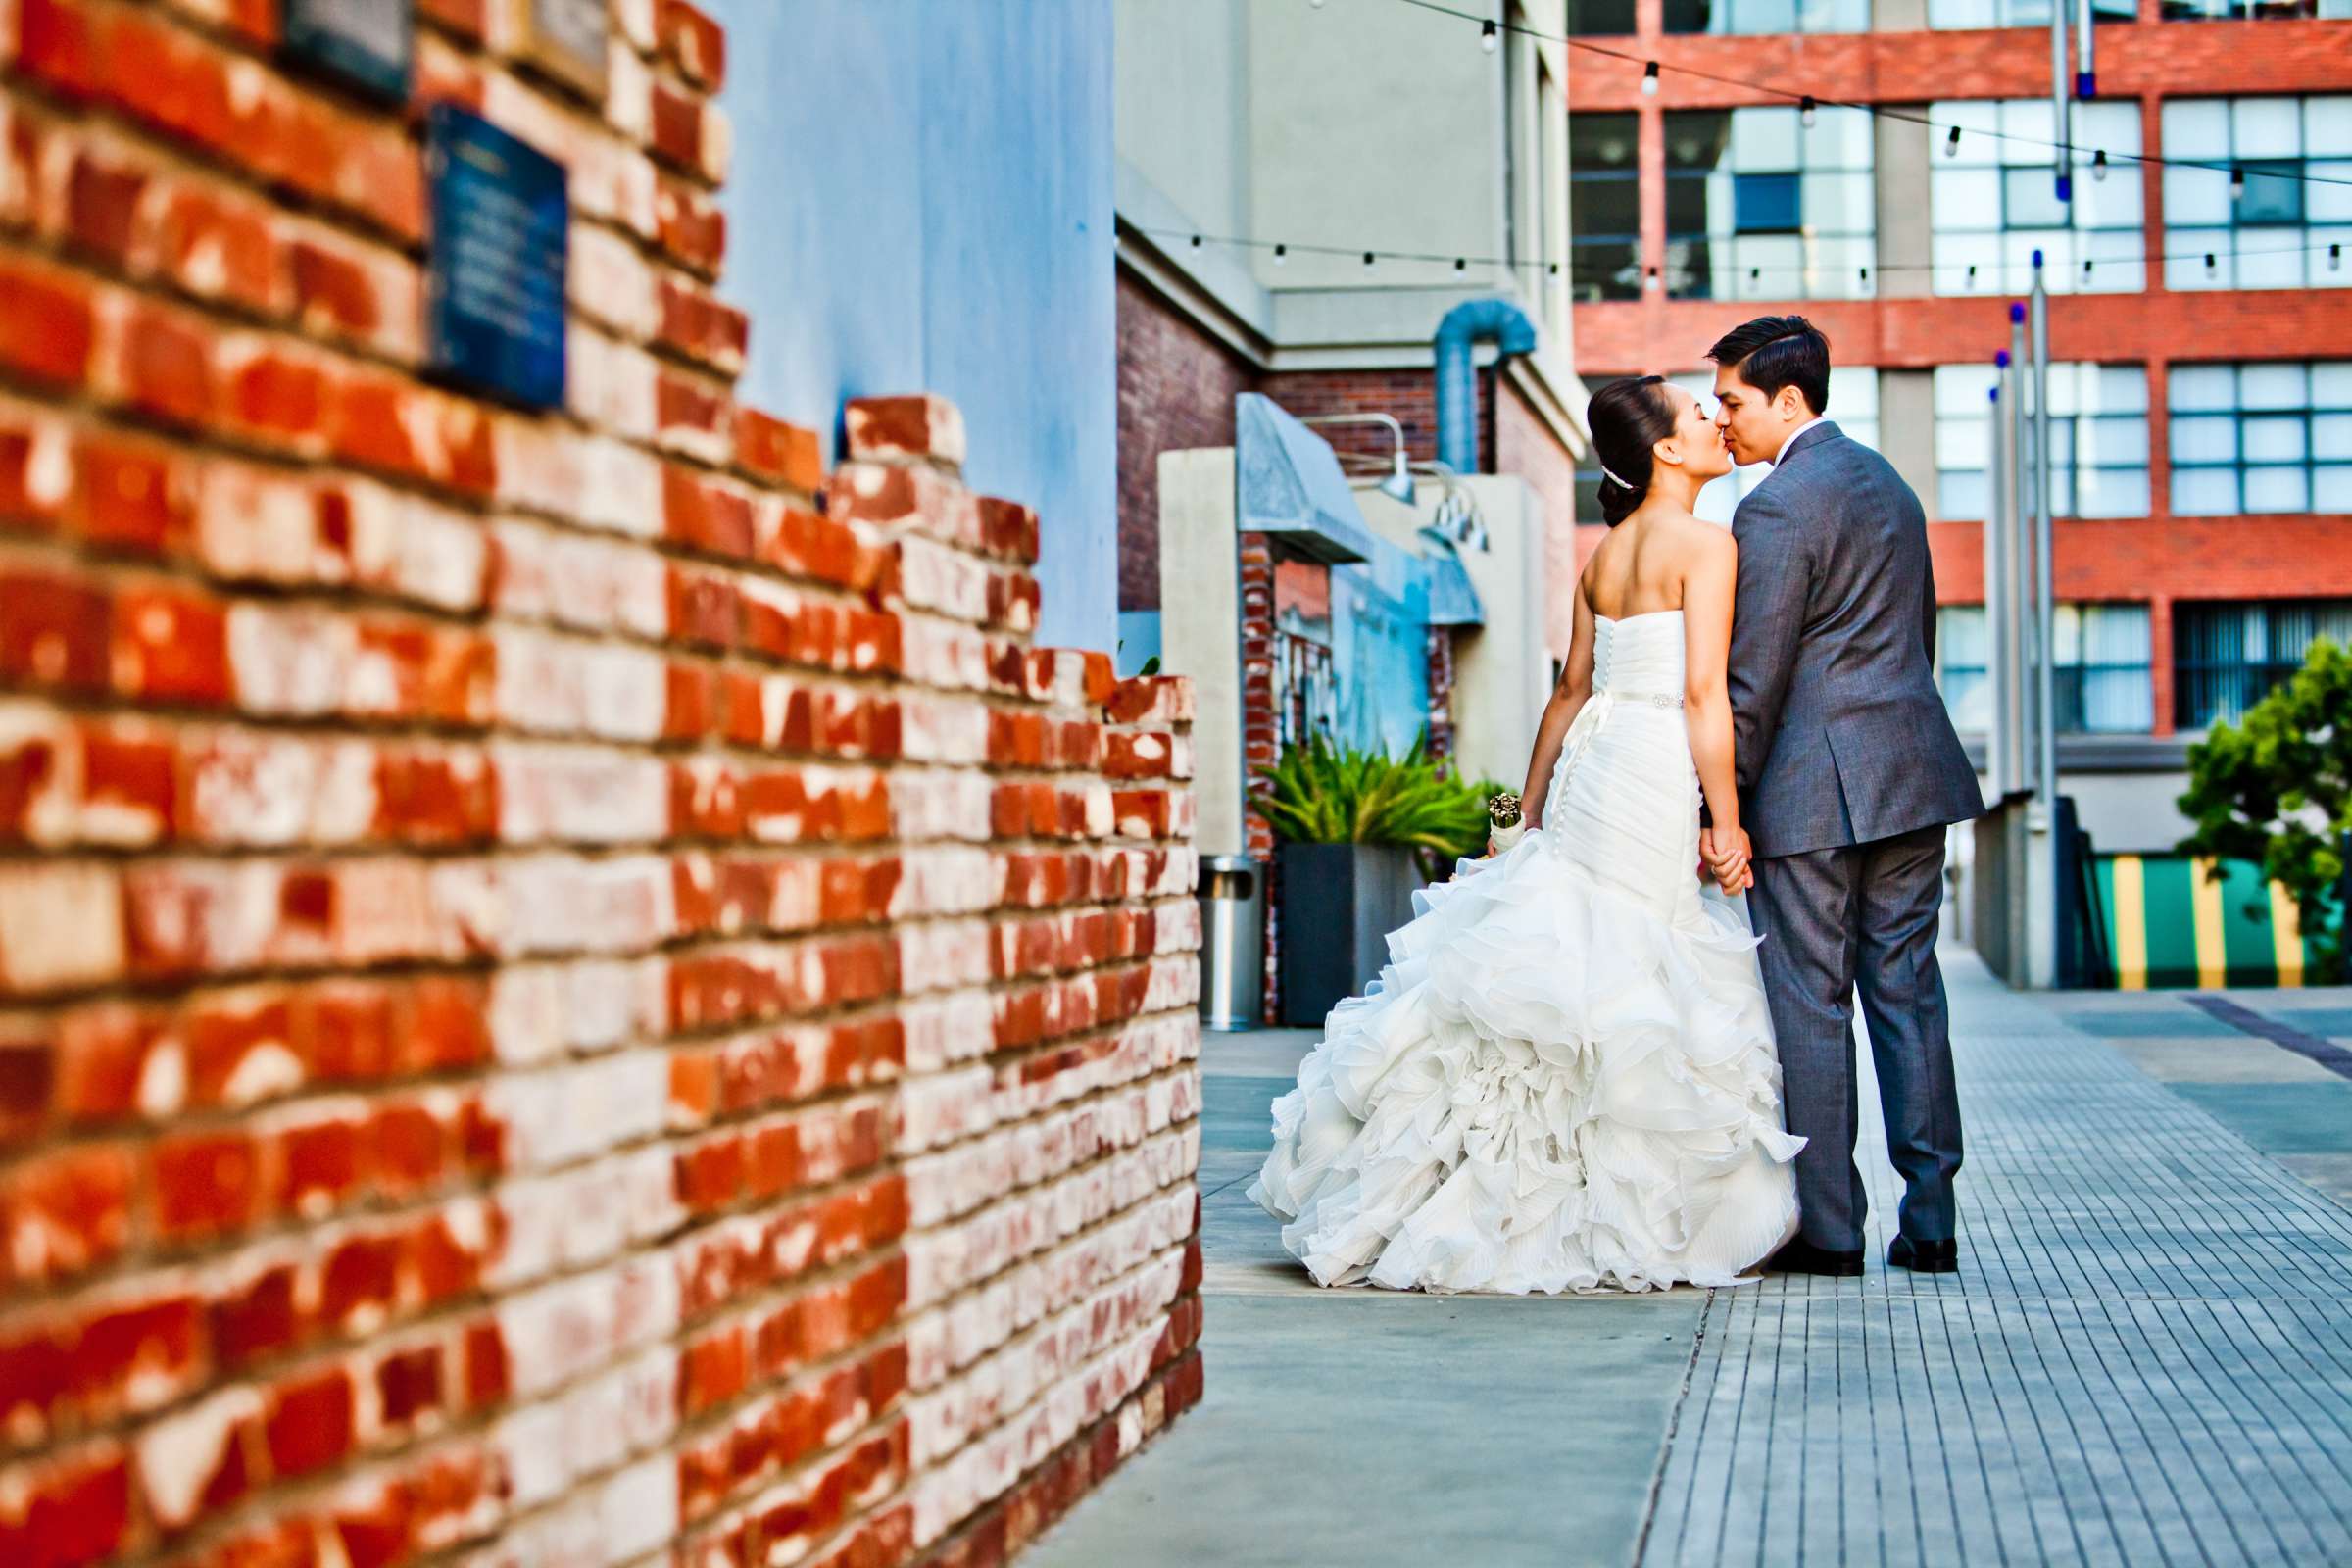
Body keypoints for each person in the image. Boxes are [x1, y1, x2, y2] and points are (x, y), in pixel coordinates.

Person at [1247, 375, 1803, 1294]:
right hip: (1654, 762)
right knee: (1625, 961)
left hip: (1593, 766)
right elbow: (1705, 697)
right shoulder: (1707, 545)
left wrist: (1526, 816)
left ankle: (1466, 1185)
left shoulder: (1605, 555)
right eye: (1697, 413)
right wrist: (1728, 823)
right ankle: (1587, 1201)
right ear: (1665, 449)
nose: (1713, 418)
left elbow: (1567, 694)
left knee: (1569, 945)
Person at [1703, 316, 1984, 1278]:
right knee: (1908, 991)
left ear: (1790, 399)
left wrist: (1719, 804)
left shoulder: (1776, 506)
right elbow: (1919, 635)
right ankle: (1932, 1218)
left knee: (1813, 1002)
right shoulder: (1893, 489)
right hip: (1914, 773)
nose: (1721, 418)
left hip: (1810, 792)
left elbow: (1756, 676)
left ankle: (1829, 1233)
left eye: (1732, 400)